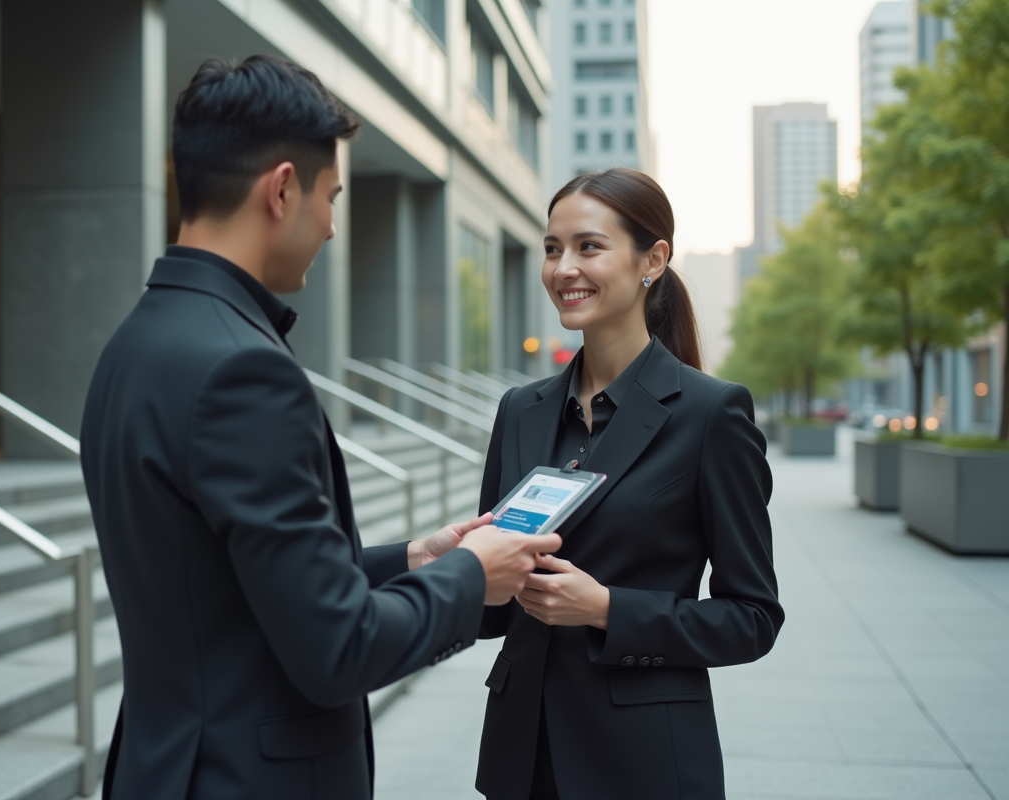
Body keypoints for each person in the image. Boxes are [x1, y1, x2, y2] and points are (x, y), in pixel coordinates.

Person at [80, 55, 561, 800]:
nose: (334, 226)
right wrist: (475, 575)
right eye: (332, 197)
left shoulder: (134, 343)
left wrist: (413, 559)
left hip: (166, 766)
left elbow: (225, 586)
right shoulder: (243, 369)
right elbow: (338, 646)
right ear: (281, 189)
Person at [474, 168, 784, 800]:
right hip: (522, 758)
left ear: (654, 259)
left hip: (644, 762)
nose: (564, 269)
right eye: (553, 248)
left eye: (589, 246)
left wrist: (608, 610)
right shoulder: (520, 408)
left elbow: (752, 618)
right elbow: (490, 603)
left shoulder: (710, 415)